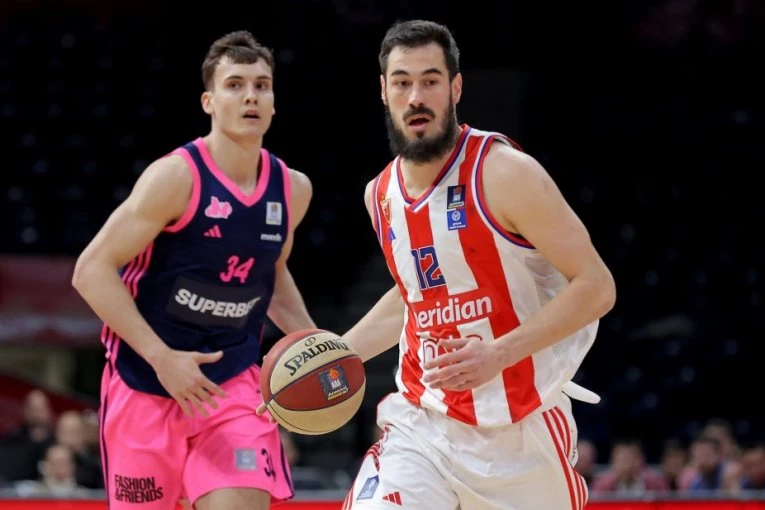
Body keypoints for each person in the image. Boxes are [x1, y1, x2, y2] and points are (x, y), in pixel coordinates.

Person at [339, 19, 616, 509]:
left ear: (456, 88)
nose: (416, 97)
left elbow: (596, 286)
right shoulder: (378, 195)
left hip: (520, 432)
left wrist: (499, 355)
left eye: (430, 81)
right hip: (422, 424)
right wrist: (338, 354)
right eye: (402, 82)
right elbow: (413, 294)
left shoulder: (504, 172)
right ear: (384, 91)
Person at [72, 30, 314, 510]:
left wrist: (316, 346)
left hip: (233, 384)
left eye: (262, 86)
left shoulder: (292, 189)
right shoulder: (176, 177)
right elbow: (91, 271)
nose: (250, 96)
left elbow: (271, 277)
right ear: (209, 102)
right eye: (235, 85)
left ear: (273, 103)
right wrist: (162, 358)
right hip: (146, 381)